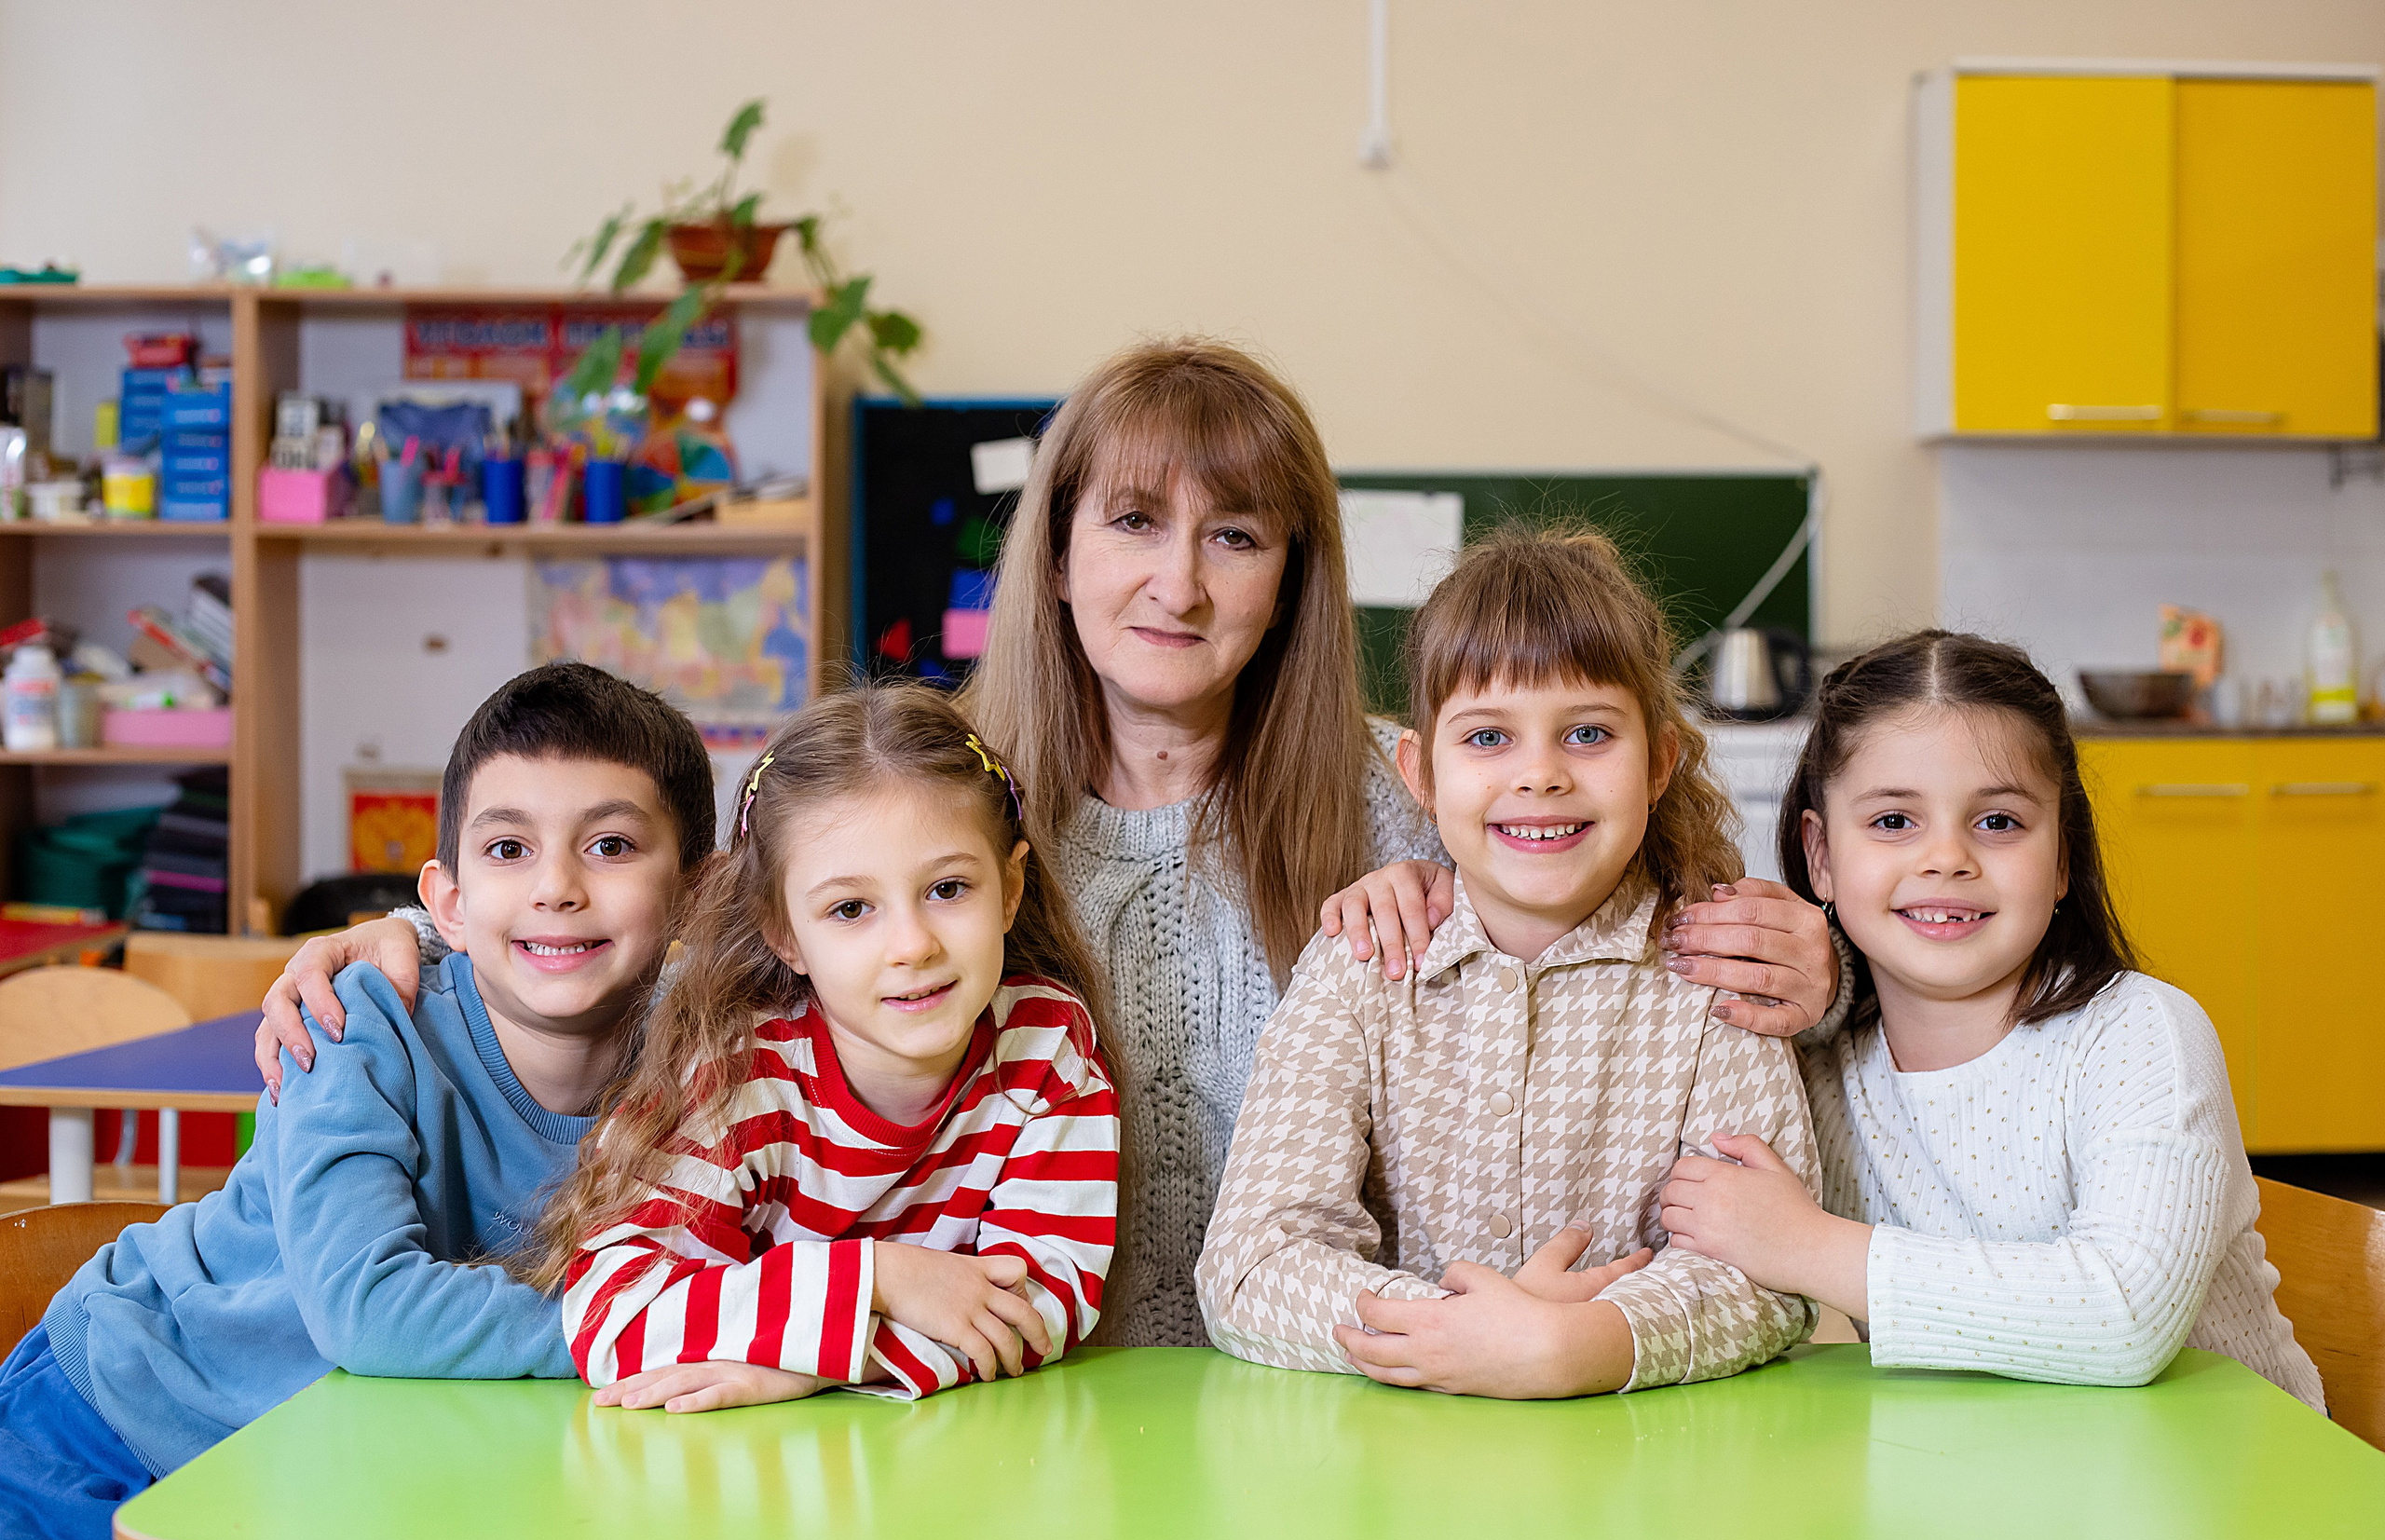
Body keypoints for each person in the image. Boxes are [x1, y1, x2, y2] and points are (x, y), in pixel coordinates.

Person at [256, 338, 1840, 1347]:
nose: (1179, 581)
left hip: (1331, 1393)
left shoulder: (1417, 792)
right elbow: (675, 952)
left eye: (1236, 535)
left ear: (1292, 576)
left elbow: (1625, 948)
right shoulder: (927, 800)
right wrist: (413, 944)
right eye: (1134, 522)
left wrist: (1826, 971)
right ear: (1061, 550)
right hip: (983, 1391)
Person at [0, 661, 715, 1540]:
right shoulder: (356, 1021)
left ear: (699, 893)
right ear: (449, 901)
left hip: (328, 1466)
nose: (557, 887)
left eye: (611, 845)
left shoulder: (715, 1064)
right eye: (508, 848)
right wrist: (695, 1324)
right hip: (110, 1424)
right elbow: (368, 1309)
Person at [1198, 525, 1818, 1397]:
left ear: (1658, 763)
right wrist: (1464, 1332)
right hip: (1399, 1463)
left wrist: (1580, 1343)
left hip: (1644, 1460)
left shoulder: (1714, 971)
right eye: (1489, 737)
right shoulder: (1358, 967)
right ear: (1420, 772)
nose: (1540, 774)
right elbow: (1250, 1266)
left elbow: (1770, 1273)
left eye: (1588, 733)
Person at [1653, 631, 2324, 1407]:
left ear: (2063, 856)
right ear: (1821, 854)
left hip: (2229, 1471)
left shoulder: (2141, 1034)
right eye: (1894, 821)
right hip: (1985, 1467)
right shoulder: (1814, 1061)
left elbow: (2125, 1314)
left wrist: (1806, 1245)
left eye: (1998, 822)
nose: (1947, 858)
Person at [540, 686, 1121, 1411]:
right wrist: (879, 1279)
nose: (912, 945)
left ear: (1008, 888)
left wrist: (814, 1366)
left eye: (948, 888)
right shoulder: (739, 1075)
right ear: (784, 933)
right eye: (851, 908)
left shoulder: (1047, 1049)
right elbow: (612, 1315)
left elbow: (1039, 1303)